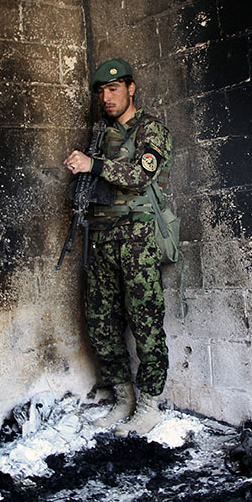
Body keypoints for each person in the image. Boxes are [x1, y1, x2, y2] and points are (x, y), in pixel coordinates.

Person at [63, 57, 172, 436]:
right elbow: (95, 183)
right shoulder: (100, 135)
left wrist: (92, 165)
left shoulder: (151, 131)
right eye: (101, 92)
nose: (106, 98)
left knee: (145, 322)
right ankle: (123, 398)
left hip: (138, 238)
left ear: (131, 89)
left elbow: (141, 176)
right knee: (101, 323)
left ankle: (149, 405)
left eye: (113, 89)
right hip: (102, 237)